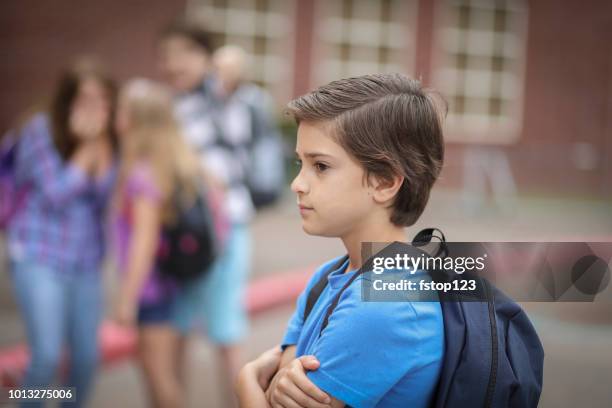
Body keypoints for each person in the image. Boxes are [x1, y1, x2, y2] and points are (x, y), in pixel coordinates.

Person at [237, 73, 446, 407]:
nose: (297, 184)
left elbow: (272, 385)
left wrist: (246, 381)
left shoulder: (384, 309)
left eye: (320, 166)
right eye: (299, 163)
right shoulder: (327, 278)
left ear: (385, 182)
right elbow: (280, 380)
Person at [6, 58, 117, 407]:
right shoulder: (40, 130)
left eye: (101, 100)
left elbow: (103, 197)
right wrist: (86, 151)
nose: (94, 109)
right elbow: (55, 194)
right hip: (39, 255)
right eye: (84, 99)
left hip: (85, 261)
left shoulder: (107, 139)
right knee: (46, 358)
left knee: (85, 359)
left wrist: (99, 150)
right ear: (67, 100)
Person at [157, 21, 255, 404]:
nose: (173, 63)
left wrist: (223, 70)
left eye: (184, 53)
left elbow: (233, 68)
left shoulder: (224, 94)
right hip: (180, 230)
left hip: (223, 228)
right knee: (177, 329)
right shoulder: (170, 104)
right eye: (166, 55)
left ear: (206, 58)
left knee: (226, 332)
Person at [112, 78, 206, 408]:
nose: (115, 114)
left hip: (151, 291)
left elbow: (144, 241)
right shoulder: (169, 163)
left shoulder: (142, 173)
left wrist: (127, 298)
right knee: (159, 379)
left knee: (161, 380)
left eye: (121, 109)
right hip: (168, 285)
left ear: (137, 120)